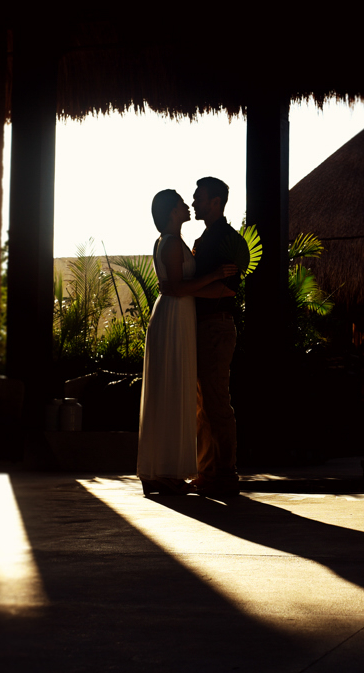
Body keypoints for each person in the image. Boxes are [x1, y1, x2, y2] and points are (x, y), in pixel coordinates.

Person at [138, 189, 236, 496]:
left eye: (191, 200)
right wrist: (215, 277)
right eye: (182, 202)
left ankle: (165, 469)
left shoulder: (178, 242)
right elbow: (178, 288)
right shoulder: (170, 242)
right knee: (172, 393)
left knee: (176, 393)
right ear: (171, 211)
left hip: (180, 315)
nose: (188, 205)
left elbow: (177, 285)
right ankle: (164, 470)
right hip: (174, 314)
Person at [190, 176, 250, 497]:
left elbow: (227, 288)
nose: (194, 202)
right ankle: (207, 471)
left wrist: (187, 290)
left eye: (199, 197)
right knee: (203, 402)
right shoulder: (204, 238)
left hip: (217, 325)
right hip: (203, 325)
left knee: (216, 400)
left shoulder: (229, 241)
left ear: (216, 202)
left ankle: (226, 473)